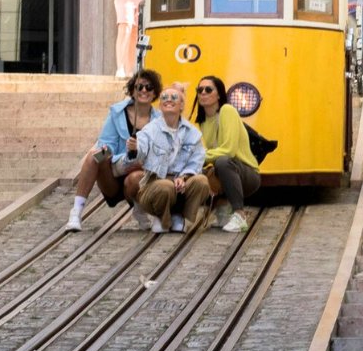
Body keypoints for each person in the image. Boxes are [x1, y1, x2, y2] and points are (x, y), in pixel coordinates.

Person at [65, 69, 163, 232]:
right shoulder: (117, 113)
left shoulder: (159, 120)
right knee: (94, 156)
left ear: (155, 93)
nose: (144, 90)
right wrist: (110, 154)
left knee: (137, 175)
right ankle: (76, 212)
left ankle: (140, 208)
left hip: (138, 175)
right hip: (114, 169)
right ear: (132, 91)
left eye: (149, 87)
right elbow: (106, 142)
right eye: (139, 87)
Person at [134, 83, 211, 233]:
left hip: (181, 184)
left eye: (174, 97)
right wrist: (134, 149)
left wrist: (183, 177)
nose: (169, 100)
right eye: (164, 97)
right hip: (155, 185)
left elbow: (197, 161)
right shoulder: (150, 129)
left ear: (181, 105)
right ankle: (162, 218)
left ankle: (180, 217)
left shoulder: (192, 132)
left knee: (201, 181)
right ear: (160, 106)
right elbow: (140, 151)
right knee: (166, 186)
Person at [192, 75, 260, 233]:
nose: (203, 93)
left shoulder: (227, 111)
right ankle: (222, 207)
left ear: (219, 94)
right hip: (225, 172)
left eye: (208, 89)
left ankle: (239, 215)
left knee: (222, 161)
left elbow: (229, 150)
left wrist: (200, 157)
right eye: (200, 90)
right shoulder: (202, 121)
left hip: (246, 174)